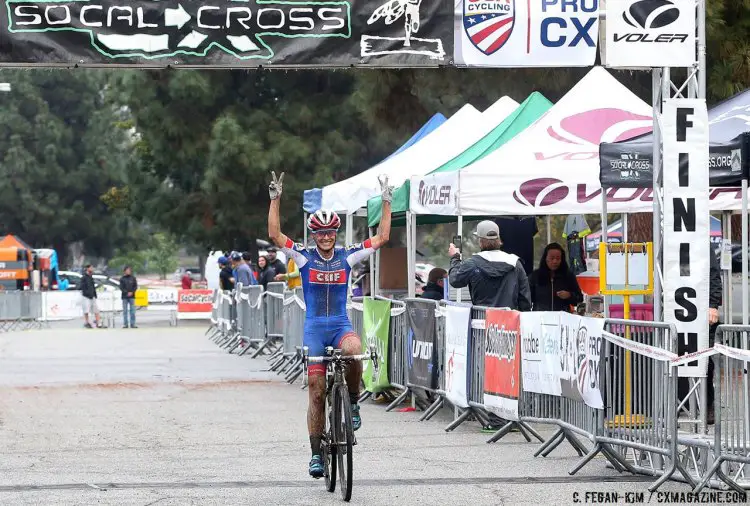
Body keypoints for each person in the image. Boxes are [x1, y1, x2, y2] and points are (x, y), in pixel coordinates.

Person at [268, 170, 392, 479]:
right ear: (313, 235)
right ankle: (315, 455)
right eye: (320, 233)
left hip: (339, 324)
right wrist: (275, 199)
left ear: (335, 233)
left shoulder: (347, 256)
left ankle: (352, 402)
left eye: (330, 232)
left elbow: (382, 237)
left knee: (354, 349)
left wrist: (387, 202)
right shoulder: (304, 256)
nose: (325, 237)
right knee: (316, 391)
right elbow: (275, 234)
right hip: (314, 328)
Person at [448, 221, 532, 311]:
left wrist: (455, 257)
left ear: (480, 241)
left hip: (481, 320)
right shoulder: (515, 263)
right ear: (499, 239)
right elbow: (525, 298)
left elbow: (455, 280)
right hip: (508, 321)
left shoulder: (472, 263)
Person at [528, 243, 584, 312]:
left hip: (562, 319)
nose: (555, 261)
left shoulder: (568, 276)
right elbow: (527, 298)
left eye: (558, 258)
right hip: (540, 318)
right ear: (545, 258)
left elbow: (580, 298)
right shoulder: (535, 276)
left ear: (562, 260)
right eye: (552, 258)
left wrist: (569, 295)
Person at [81, 264, 104, 328]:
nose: (92, 269)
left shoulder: (91, 277)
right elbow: (83, 287)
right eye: (91, 268)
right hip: (86, 296)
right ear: (87, 268)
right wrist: (87, 293)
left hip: (92, 296)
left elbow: (93, 287)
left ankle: (98, 322)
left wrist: (94, 294)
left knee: (96, 310)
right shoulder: (84, 277)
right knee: (86, 310)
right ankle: (87, 322)